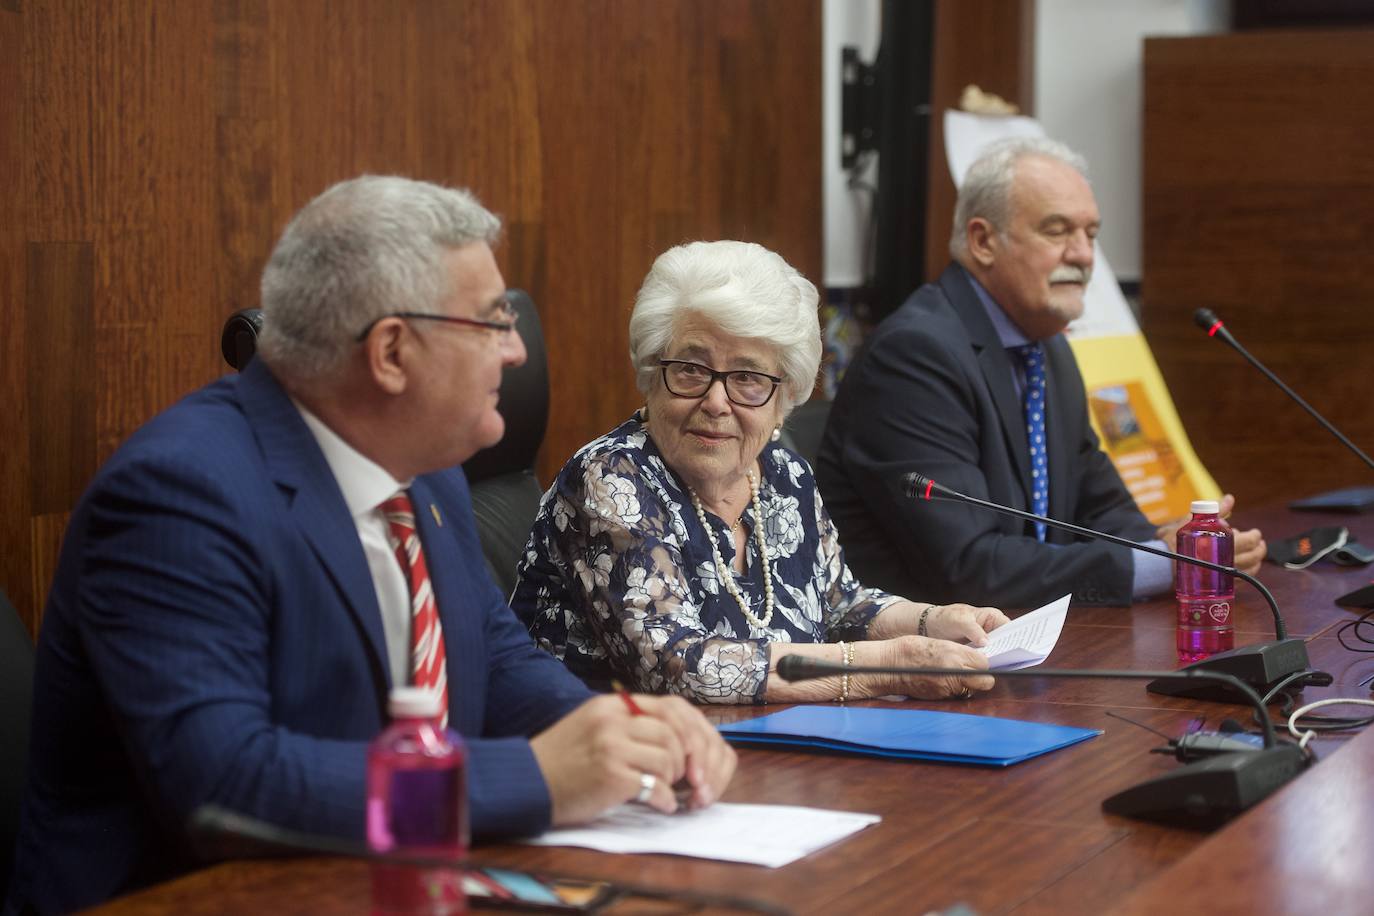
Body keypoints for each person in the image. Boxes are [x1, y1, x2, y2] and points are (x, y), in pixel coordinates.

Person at [6, 177, 735, 915]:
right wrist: (539, 777)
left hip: (398, 882)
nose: (518, 350)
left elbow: (497, 659)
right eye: (493, 322)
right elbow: (223, 786)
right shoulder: (180, 494)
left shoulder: (428, 471)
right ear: (391, 353)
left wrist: (620, 731)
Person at [510, 240, 1008, 706]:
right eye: (690, 368)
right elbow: (678, 664)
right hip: (633, 764)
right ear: (651, 373)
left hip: (776, 752)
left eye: (747, 378)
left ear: (783, 398)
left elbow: (840, 604)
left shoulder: (786, 476)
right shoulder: (612, 477)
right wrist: (890, 664)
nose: (715, 401)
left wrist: (934, 621)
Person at [816, 137, 1266, 609]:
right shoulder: (914, 355)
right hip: (915, 661)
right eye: (1057, 231)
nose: (1083, 255)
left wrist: (1183, 547)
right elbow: (968, 566)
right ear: (983, 241)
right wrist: (1161, 565)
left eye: (1091, 234)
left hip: (1029, 643)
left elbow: (1100, 507)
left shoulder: (1046, 347)